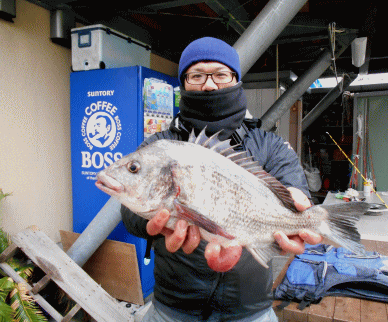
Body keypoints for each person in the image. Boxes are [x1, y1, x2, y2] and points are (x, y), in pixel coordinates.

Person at [121, 37, 322, 321]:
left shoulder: (268, 145)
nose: (209, 84)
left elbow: (295, 189)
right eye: (197, 75)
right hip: (174, 308)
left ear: (236, 80)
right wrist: (158, 218)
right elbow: (128, 214)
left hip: (250, 310)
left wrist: (298, 203)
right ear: (183, 83)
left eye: (220, 74)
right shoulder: (160, 147)